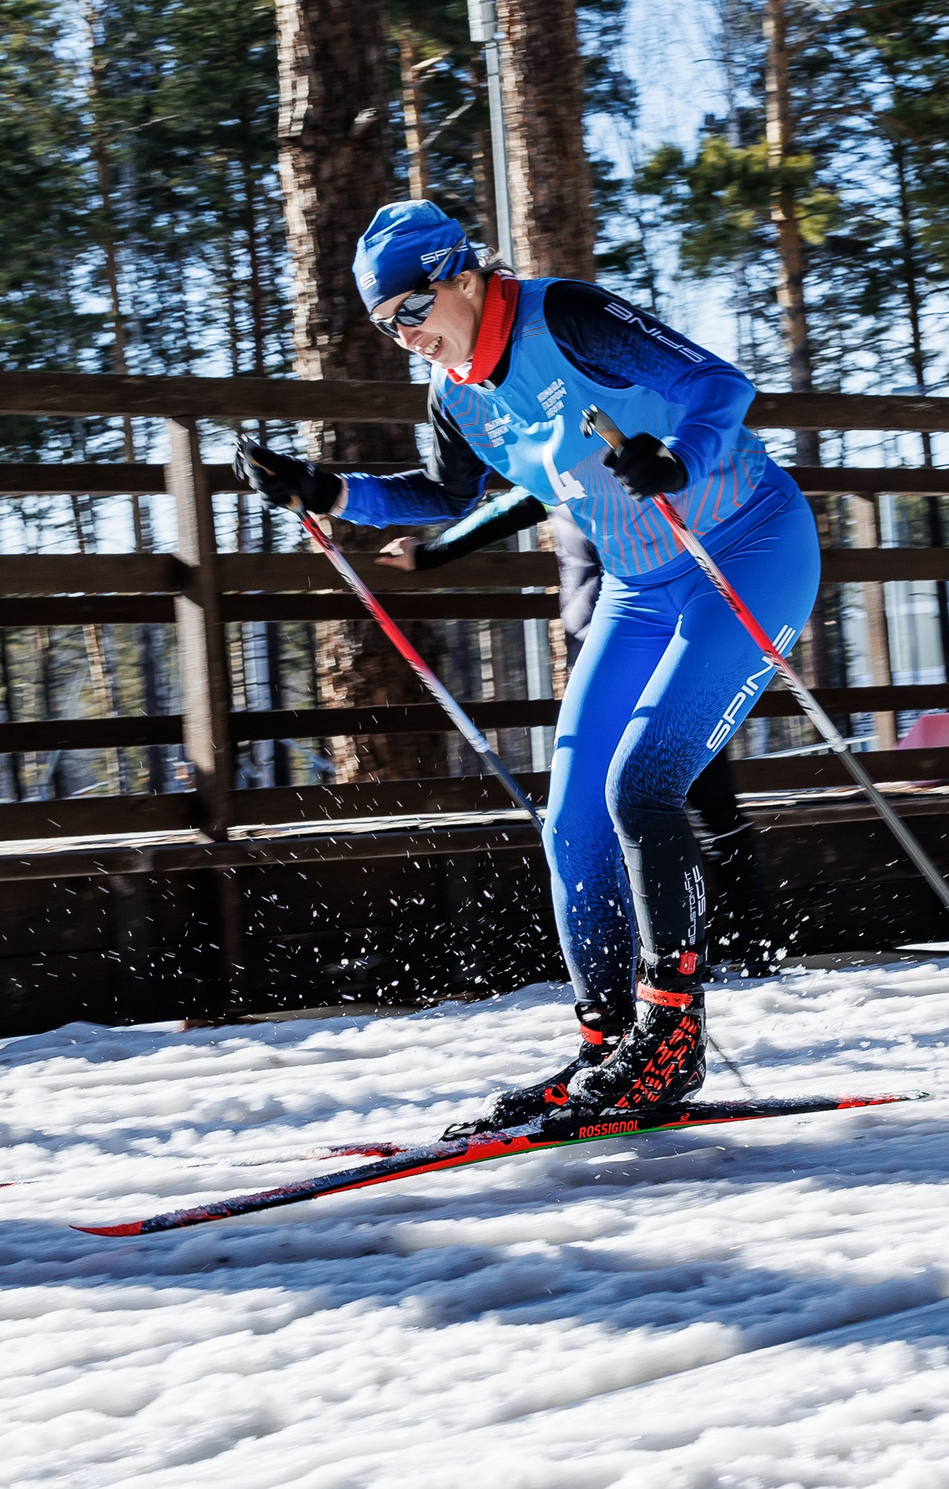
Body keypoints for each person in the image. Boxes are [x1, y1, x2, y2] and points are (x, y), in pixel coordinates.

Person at [234, 200, 819, 1128]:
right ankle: (610, 1040)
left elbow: (719, 384)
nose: (406, 335)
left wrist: (678, 455)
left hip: (743, 547)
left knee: (645, 785)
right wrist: (325, 489)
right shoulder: (456, 394)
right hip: (635, 586)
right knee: (571, 815)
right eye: (386, 325)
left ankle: (671, 1036)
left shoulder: (568, 317)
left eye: (411, 309)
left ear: (461, 274)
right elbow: (442, 492)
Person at [374, 489, 781, 974]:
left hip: (674, 652)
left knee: (698, 804)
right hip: (604, 658)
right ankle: (669, 952)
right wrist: (430, 553)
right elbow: (512, 505)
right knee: (619, 813)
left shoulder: (650, 468)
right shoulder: (562, 474)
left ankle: (743, 941)